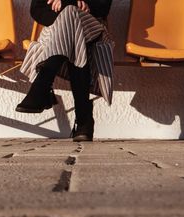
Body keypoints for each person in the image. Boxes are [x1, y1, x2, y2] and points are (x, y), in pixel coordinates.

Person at [18, 0, 114, 142]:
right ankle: (83, 120)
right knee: (71, 26)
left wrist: (69, 3)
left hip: (91, 25)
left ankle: (42, 84)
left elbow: (103, 7)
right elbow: (37, 10)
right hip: (55, 28)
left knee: (70, 13)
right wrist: (63, 19)